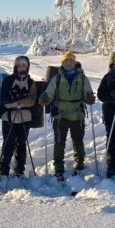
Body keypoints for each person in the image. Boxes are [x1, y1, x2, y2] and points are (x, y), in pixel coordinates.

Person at [39, 51, 95, 180]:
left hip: (77, 115)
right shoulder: (57, 78)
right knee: (59, 142)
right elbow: (50, 92)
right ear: (62, 63)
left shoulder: (82, 77)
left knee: (78, 141)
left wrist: (89, 97)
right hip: (60, 115)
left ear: (74, 63)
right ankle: (58, 168)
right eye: (66, 61)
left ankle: (80, 165)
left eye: (71, 61)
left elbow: (88, 90)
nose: (68, 63)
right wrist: (45, 98)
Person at [0, 55, 37, 184]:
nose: (21, 67)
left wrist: (16, 101)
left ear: (27, 67)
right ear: (15, 66)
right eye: (19, 65)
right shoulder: (8, 80)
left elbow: (32, 100)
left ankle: (19, 170)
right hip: (9, 117)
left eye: (24, 65)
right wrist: (19, 102)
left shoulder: (31, 82)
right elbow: (4, 100)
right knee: (8, 144)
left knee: (21, 144)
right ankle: (3, 172)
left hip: (25, 118)